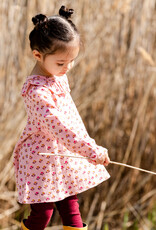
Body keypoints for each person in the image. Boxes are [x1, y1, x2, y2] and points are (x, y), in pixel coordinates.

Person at [13, 5, 110, 230]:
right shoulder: (37, 93)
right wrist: (91, 150)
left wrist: (85, 147)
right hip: (41, 159)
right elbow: (60, 127)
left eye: (71, 61)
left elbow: (71, 118)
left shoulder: (56, 76)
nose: (67, 68)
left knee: (71, 208)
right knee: (43, 212)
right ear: (37, 55)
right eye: (61, 63)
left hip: (63, 156)